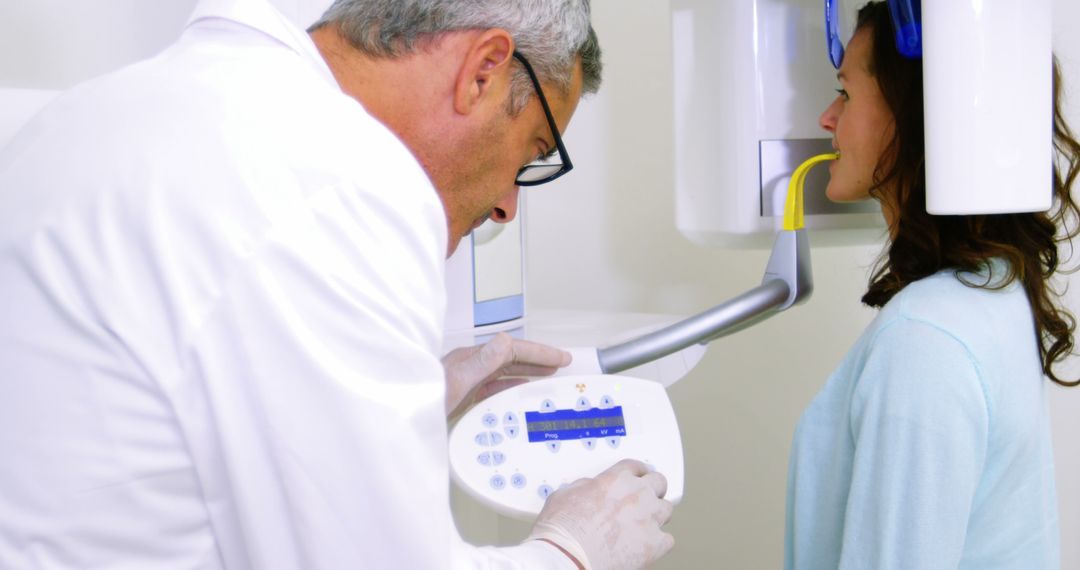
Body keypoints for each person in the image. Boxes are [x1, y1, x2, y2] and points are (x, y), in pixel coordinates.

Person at [0, 0, 675, 568]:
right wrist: (576, 548)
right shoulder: (339, 185)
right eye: (530, 151)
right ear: (485, 71)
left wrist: (381, 406)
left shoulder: (111, 110)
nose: (506, 205)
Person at [784, 2, 1080, 569]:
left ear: (913, 111)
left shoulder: (926, 339)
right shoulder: (993, 286)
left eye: (845, 93)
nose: (826, 118)